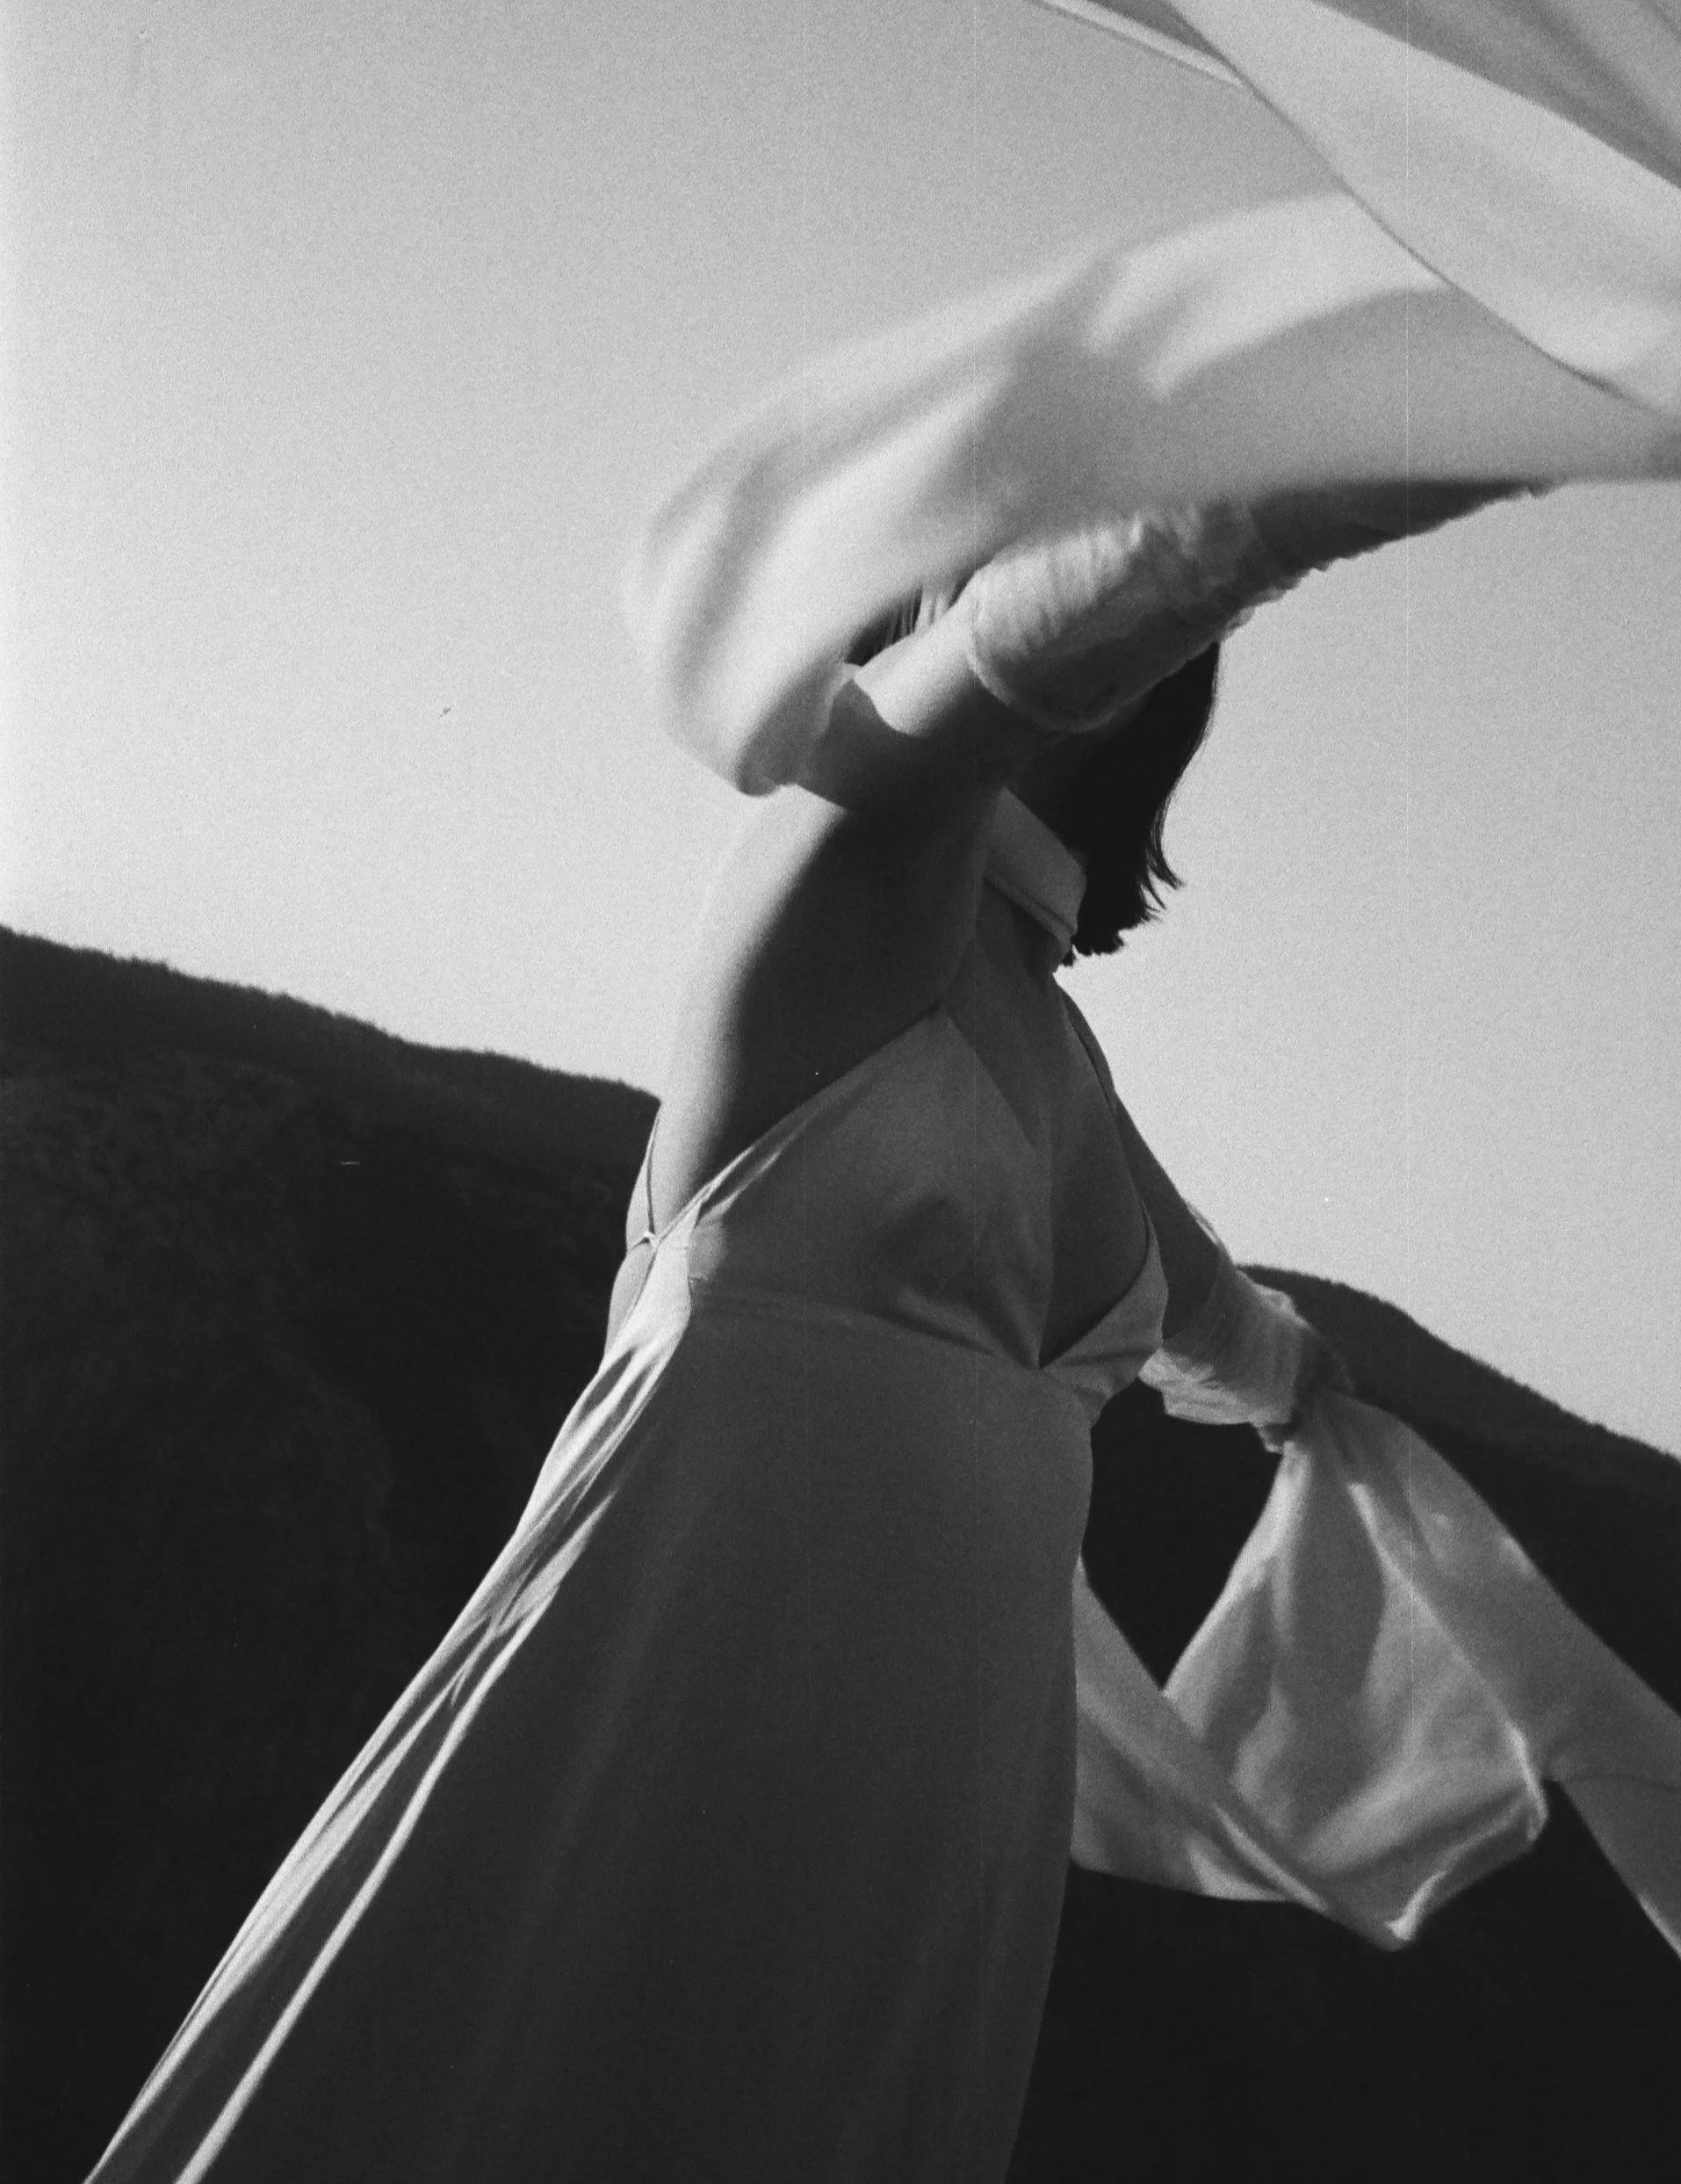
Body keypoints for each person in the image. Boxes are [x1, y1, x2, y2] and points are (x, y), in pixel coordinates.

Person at [88, 506, 1365, 2184]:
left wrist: (1318, 1415)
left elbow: (1240, 1345)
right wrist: (1327, 493)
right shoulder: (841, 854)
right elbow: (1037, 652)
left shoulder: (1076, 1078)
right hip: (654, 1738)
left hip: (920, 1855)